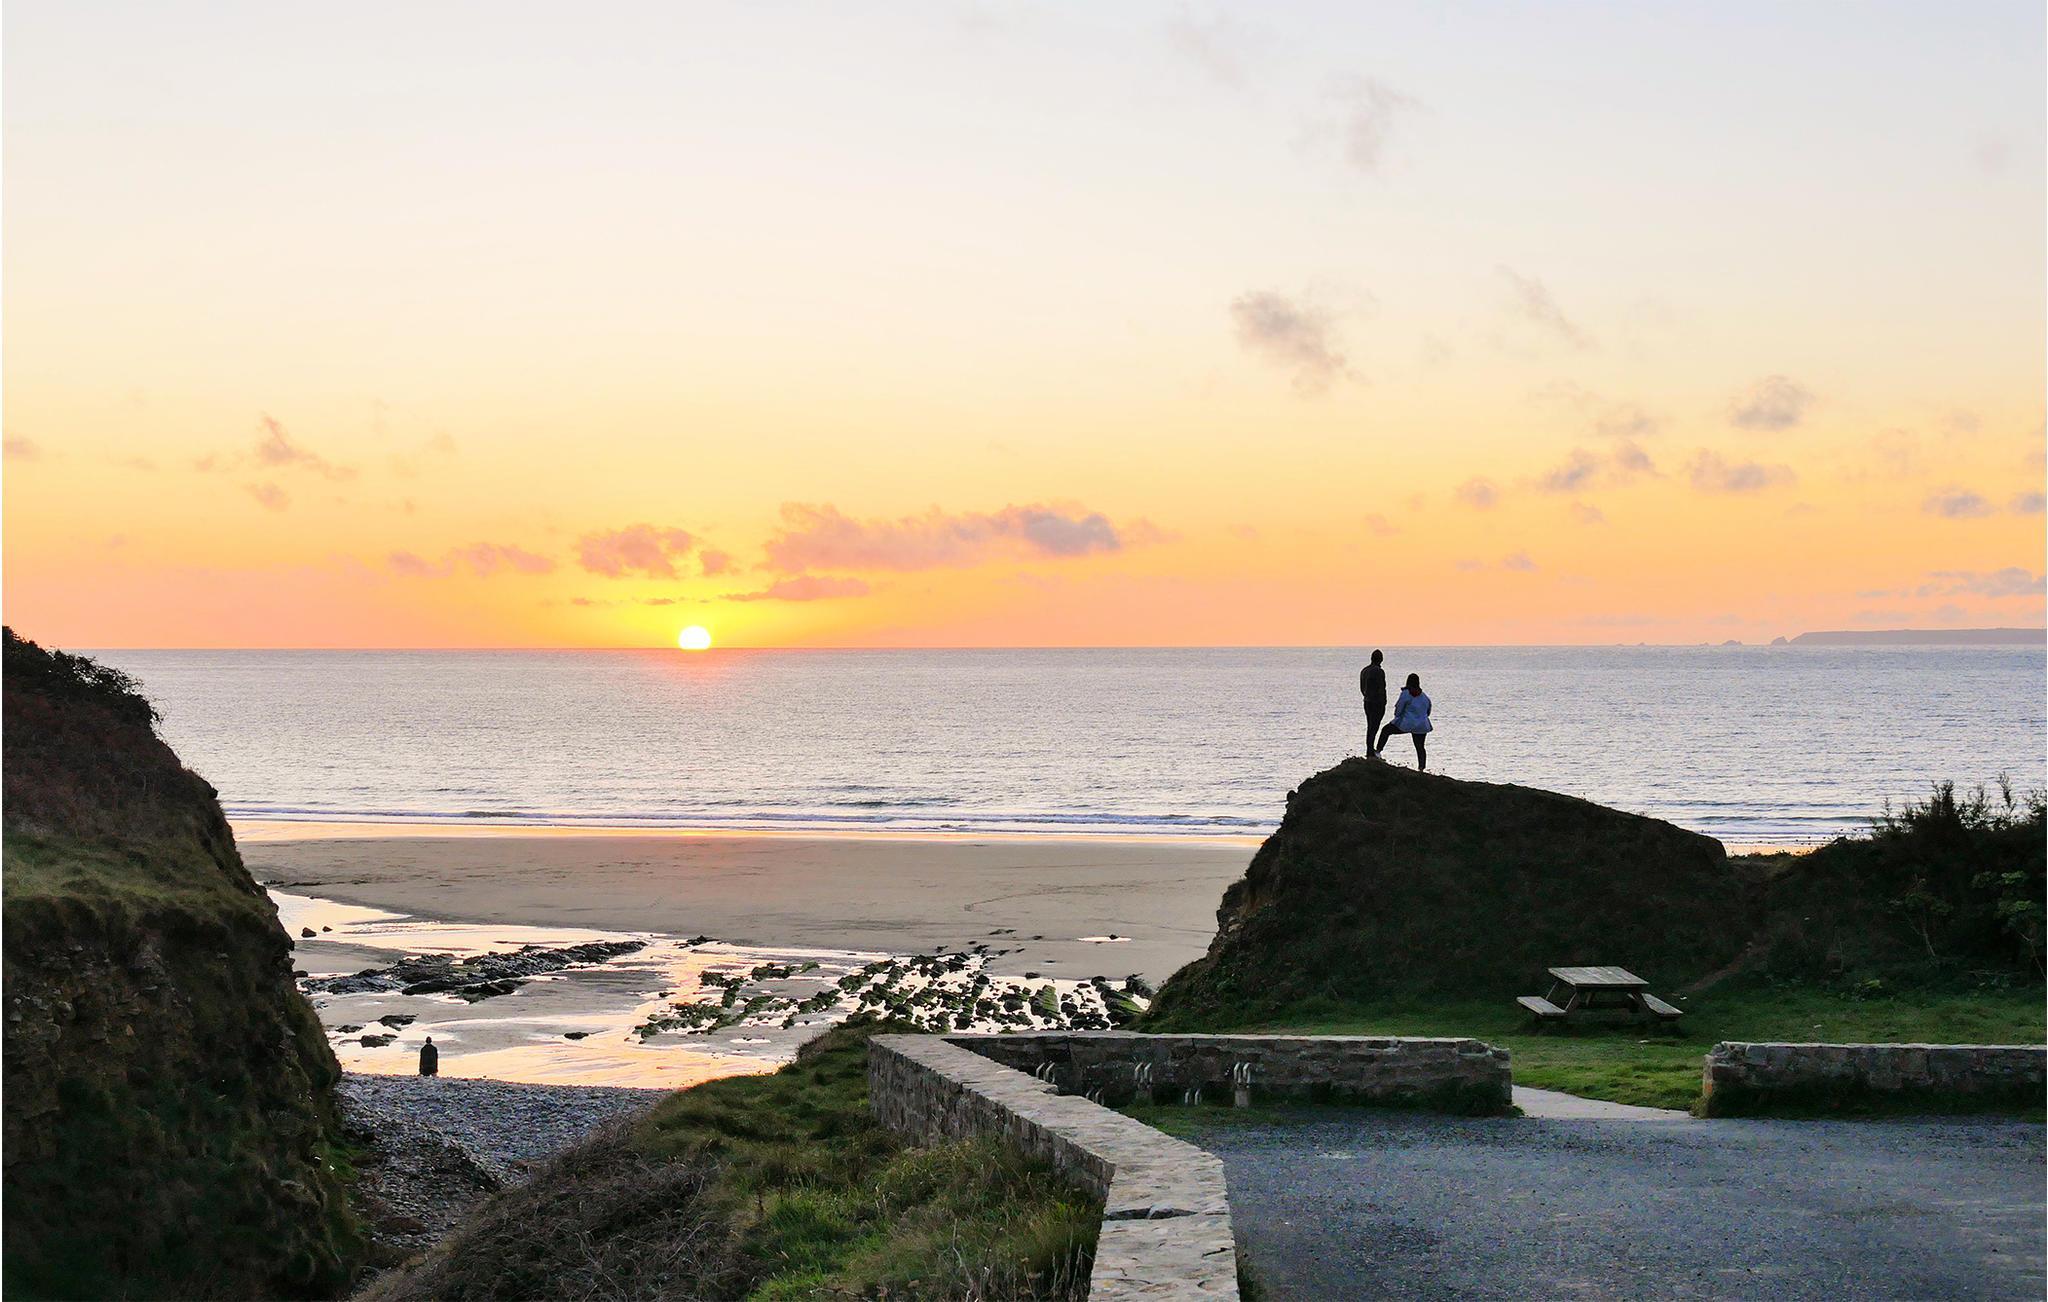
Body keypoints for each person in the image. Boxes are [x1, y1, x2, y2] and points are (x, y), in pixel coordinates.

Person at [1375, 673, 1432, 770]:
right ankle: (1421, 768)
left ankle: (1378, 752)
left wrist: (1397, 716)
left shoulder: (1406, 694)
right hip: (1422, 725)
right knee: (1420, 747)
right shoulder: (1424, 696)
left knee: (1386, 730)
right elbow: (1428, 711)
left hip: (1407, 723)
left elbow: (1399, 707)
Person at [1359, 650, 1388, 757]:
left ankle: (1370, 749)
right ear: (1381, 659)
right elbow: (1382, 688)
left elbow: (1362, 688)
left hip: (1367, 701)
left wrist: (1366, 696)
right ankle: (1370, 750)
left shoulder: (1364, 670)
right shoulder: (1379, 671)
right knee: (1374, 727)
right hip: (1377, 702)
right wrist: (1383, 702)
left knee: (1370, 726)